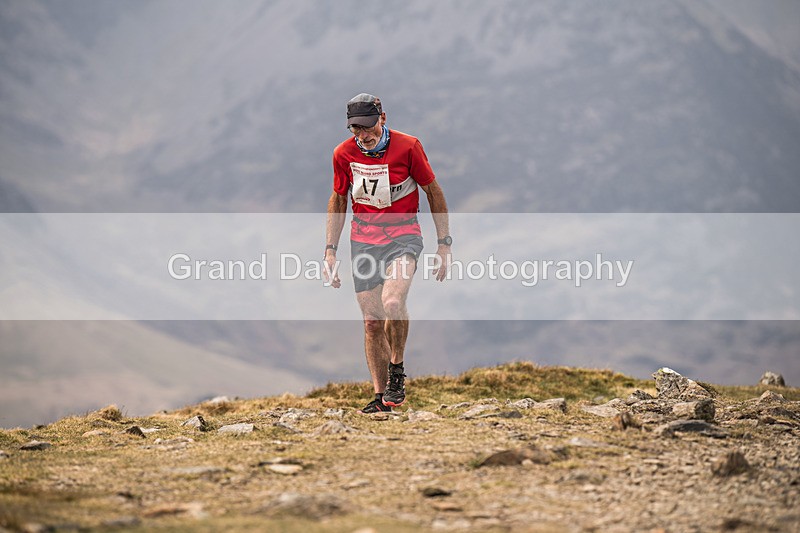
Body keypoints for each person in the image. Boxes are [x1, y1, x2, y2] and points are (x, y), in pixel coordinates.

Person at [324, 93, 452, 413]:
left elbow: (433, 191)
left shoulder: (408, 147)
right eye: (356, 129)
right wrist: (330, 251)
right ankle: (381, 399)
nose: (363, 135)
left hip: (403, 235)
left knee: (393, 301)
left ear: (382, 118)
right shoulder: (343, 153)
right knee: (371, 321)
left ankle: (397, 370)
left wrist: (444, 244)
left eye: (368, 127)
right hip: (363, 240)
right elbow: (339, 199)